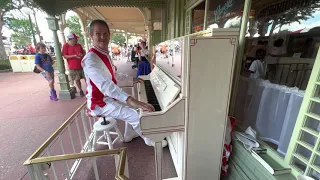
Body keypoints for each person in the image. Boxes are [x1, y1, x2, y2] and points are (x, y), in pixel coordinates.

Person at [82, 19, 167, 147]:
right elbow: (106, 85)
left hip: (108, 98)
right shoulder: (91, 59)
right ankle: (151, 140)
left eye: (105, 34)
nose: (102, 37)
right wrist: (132, 100)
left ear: (109, 35)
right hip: (99, 103)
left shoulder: (103, 54)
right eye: (98, 34)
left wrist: (132, 79)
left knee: (132, 108)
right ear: (91, 36)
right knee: (134, 115)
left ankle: (129, 134)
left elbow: (114, 75)